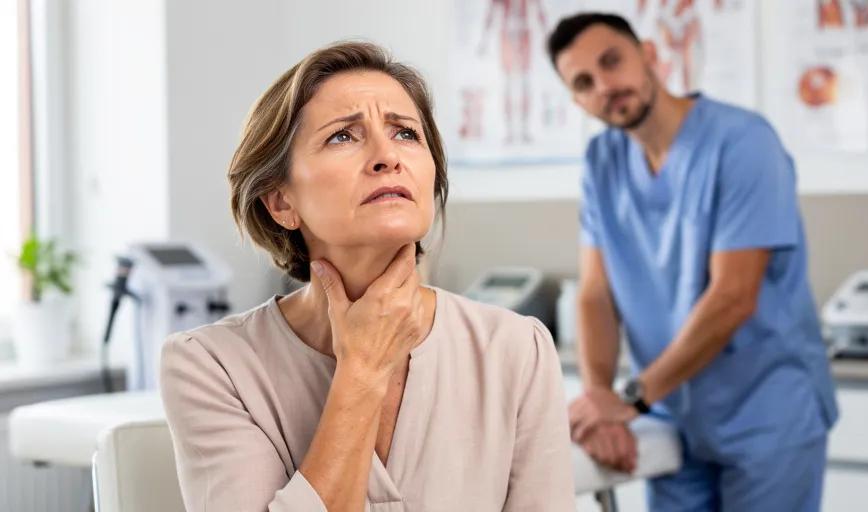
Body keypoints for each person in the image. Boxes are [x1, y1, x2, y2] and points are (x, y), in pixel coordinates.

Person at [158, 40, 576, 512]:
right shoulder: (211, 366)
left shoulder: (517, 349)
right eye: (343, 136)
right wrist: (362, 370)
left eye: (405, 134)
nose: (387, 156)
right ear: (281, 202)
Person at [545, 13, 839, 512]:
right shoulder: (601, 163)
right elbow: (596, 292)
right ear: (578, 101)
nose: (605, 86)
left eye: (612, 62)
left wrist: (631, 400)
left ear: (650, 54)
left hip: (766, 415)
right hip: (675, 415)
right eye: (584, 82)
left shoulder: (743, 143)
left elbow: (733, 297)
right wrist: (599, 398)